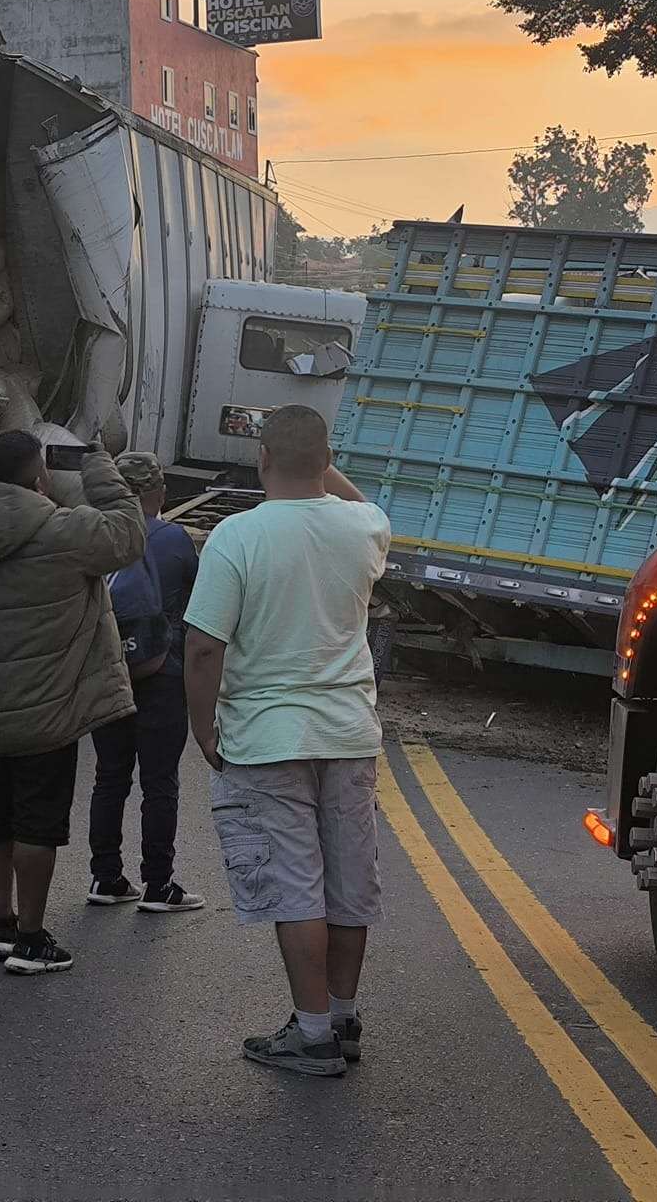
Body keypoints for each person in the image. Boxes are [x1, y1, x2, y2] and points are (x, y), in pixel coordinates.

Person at [183, 404, 391, 1079]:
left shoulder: (236, 537)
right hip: (349, 734)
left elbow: (203, 647)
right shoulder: (364, 528)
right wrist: (318, 462)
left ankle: (312, 1034)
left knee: (297, 886)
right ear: (325, 460)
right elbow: (360, 502)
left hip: (268, 736)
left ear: (262, 459)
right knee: (348, 881)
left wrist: (202, 728)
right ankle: (342, 1015)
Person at [0, 430, 144, 976]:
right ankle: (33, 938)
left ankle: (0, 923)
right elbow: (129, 532)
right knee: (36, 826)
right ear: (39, 476)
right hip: (47, 714)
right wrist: (98, 466)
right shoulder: (65, 532)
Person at [84, 452, 204, 913]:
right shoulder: (173, 539)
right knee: (160, 782)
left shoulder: (93, 535)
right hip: (163, 673)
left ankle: (106, 877)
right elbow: (195, 607)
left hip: (110, 673)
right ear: (156, 492)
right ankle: (158, 885)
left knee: (109, 777)